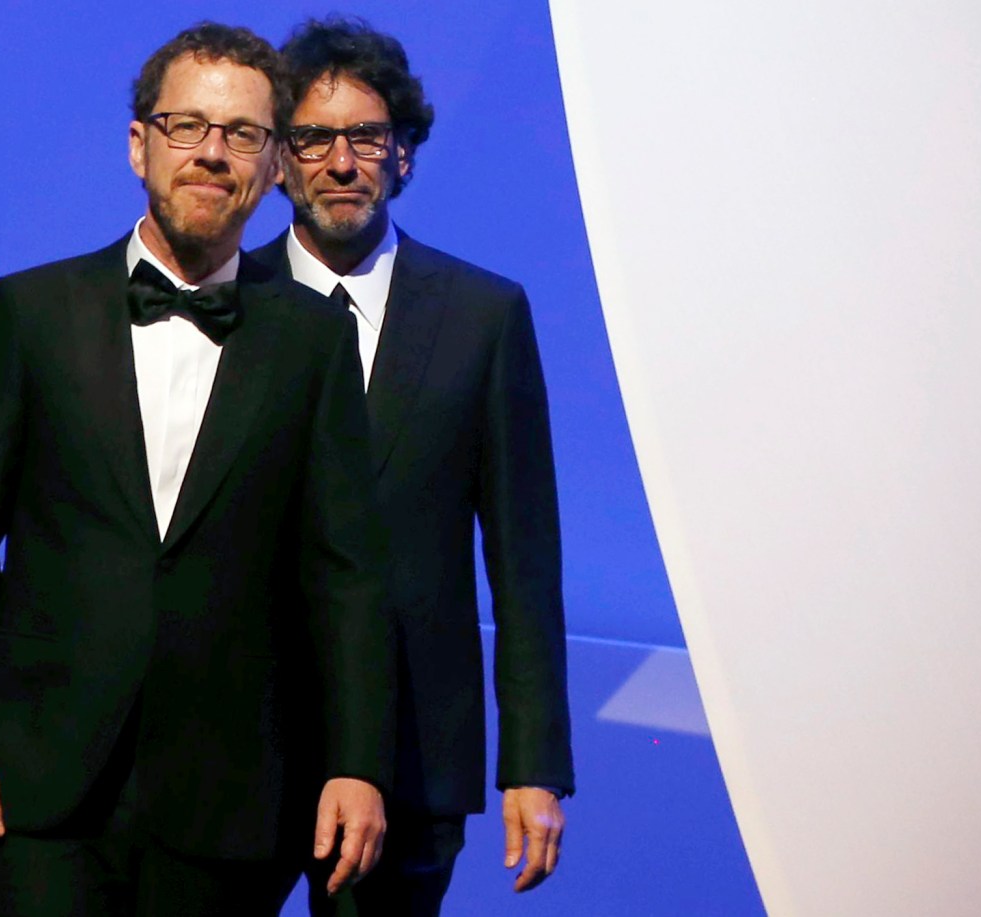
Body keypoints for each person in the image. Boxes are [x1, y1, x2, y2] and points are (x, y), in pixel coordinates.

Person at [0, 22, 392, 916]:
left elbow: (346, 575)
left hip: (230, 807)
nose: (212, 154)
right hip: (34, 796)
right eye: (187, 125)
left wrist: (358, 763)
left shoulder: (313, 340)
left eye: (243, 133)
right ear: (140, 144)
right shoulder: (30, 312)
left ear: (274, 164)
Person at [251, 18, 574, 916]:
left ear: (405, 157)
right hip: (235, 746)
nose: (342, 161)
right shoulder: (225, 307)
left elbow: (524, 558)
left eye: (368, 137)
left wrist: (534, 763)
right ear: (280, 160)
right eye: (314, 138)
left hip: (414, 756)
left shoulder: (482, 315)